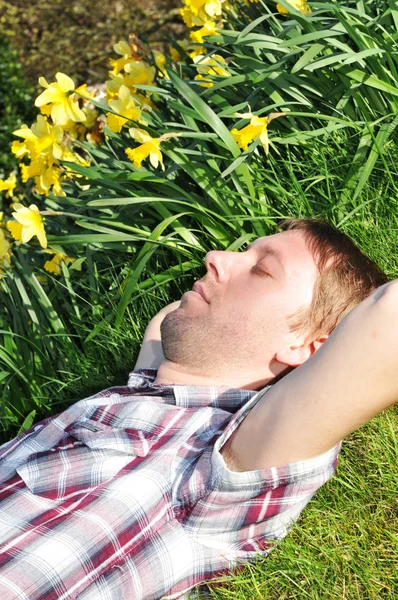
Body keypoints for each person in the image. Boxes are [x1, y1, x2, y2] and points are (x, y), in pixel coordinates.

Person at [0, 218, 396, 600]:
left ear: (309, 347)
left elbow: (387, 318)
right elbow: (162, 326)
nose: (215, 256)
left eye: (261, 270)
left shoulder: (221, 466)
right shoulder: (142, 388)